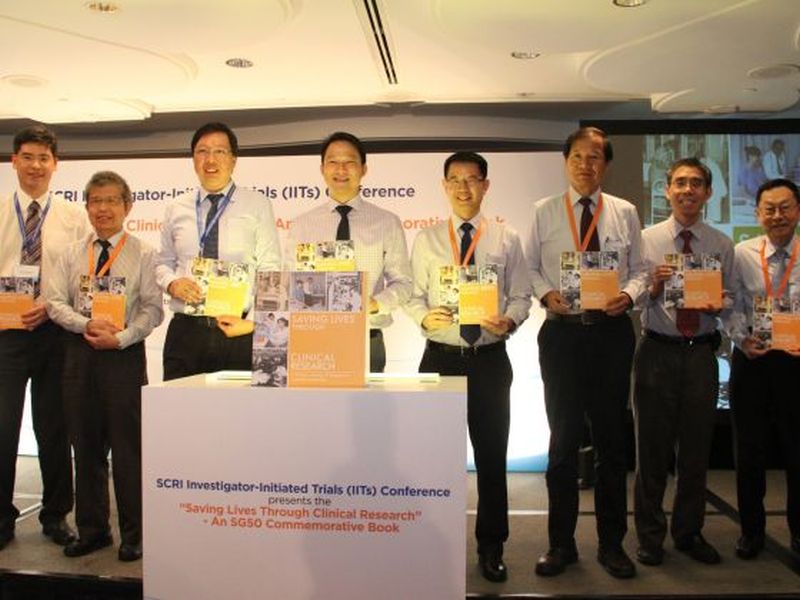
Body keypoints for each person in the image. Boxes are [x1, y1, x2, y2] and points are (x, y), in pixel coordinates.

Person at [525, 126, 647, 579]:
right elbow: (531, 268)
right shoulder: (542, 212)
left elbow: (639, 269)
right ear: (566, 161)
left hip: (611, 334)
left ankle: (612, 545)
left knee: (612, 445)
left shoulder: (625, 212)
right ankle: (561, 545)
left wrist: (631, 296)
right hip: (562, 337)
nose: (585, 164)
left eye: (594, 157)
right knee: (561, 445)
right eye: (577, 156)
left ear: (606, 164)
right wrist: (545, 295)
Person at [405, 152, 531, 583]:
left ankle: (491, 545)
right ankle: (431, 544)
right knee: (435, 460)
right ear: (444, 186)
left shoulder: (506, 237)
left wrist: (510, 319)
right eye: (454, 180)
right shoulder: (426, 240)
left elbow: (521, 295)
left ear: (486, 185)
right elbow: (412, 294)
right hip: (440, 359)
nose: (463, 188)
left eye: (472, 180)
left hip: (490, 360)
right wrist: (424, 316)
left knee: (493, 457)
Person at [45, 171, 163, 561]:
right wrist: (86, 324)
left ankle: (136, 534)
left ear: (128, 206)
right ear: (87, 207)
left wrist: (124, 336)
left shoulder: (144, 252)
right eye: (96, 200)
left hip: (123, 357)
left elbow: (153, 309)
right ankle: (93, 530)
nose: (103, 208)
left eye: (112, 200)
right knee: (85, 446)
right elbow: (55, 302)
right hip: (78, 355)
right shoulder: (70, 253)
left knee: (129, 450)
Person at [633, 158, 734, 567]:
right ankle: (650, 537)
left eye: (696, 183)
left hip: (700, 355)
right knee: (651, 451)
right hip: (657, 349)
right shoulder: (644, 240)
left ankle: (689, 533)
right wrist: (653, 287)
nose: (687, 190)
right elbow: (631, 296)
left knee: (695, 452)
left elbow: (733, 299)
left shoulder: (721, 244)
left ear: (708, 193)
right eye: (679, 183)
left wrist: (719, 303)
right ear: (667, 191)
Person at [0, 125, 89, 551]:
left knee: (55, 426)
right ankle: (1, 517)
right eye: (28, 157)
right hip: (6, 334)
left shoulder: (74, 219)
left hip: (55, 333)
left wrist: (51, 306)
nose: (36, 166)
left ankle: (56, 515)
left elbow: (83, 277)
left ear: (56, 165)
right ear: (13, 161)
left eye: (43, 158)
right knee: (2, 426)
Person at [155, 122, 281, 379]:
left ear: (233, 160)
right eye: (202, 151)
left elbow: (271, 269)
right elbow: (162, 262)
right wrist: (172, 283)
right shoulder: (176, 207)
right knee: (180, 414)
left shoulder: (256, 204)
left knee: (239, 417)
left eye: (220, 152)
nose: (210, 159)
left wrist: (255, 323)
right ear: (193, 160)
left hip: (237, 330)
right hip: (186, 331)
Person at [285, 132, 412, 372]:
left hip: (367, 336)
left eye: (350, 162)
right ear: (322, 169)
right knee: (315, 410)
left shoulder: (387, 222)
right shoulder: (301, 225)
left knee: (366, 411)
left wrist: (376, 303)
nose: (341, 169)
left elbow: (403, 283)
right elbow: (287, 283)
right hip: (314, 338)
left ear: (364, 169)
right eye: (333, 162)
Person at [726, 178, 800, 560]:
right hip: (753, 360)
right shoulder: (742, 253)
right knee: (749, 451)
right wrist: (741, 339)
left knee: (797, 451)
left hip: (797, 364)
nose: (777, 216)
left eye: (785, 207)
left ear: (798, 210)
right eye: (769, 209)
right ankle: (751, 531)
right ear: (757, 214)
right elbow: (731, 305)